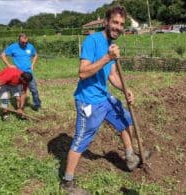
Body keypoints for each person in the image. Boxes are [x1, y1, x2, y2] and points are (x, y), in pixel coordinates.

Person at [60, 6, 142, 193]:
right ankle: (67, 183)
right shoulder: (93, 41)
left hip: (103, 96)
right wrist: (107, 57)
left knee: (124, 117)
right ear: (106, 22)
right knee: (82, 139)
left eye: (121, 24)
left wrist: (125, 88)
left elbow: (112, 75)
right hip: (88, 101)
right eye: (115, 22)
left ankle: (130, 156)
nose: (118, 27)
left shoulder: (112, 45)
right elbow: (82, 73)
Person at [1, 33, 41, 111]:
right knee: (20, 92)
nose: (25, 44)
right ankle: (20, 108)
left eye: (26, 42)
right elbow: (3, 55)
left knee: (34, 89)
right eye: (23, 42)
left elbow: (35, 55)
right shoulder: (13, 47)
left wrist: (32, 64)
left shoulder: (30, 46)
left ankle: (37, 105)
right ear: (19, 41)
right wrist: (9, 65)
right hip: (19, 74)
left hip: (29, 73)